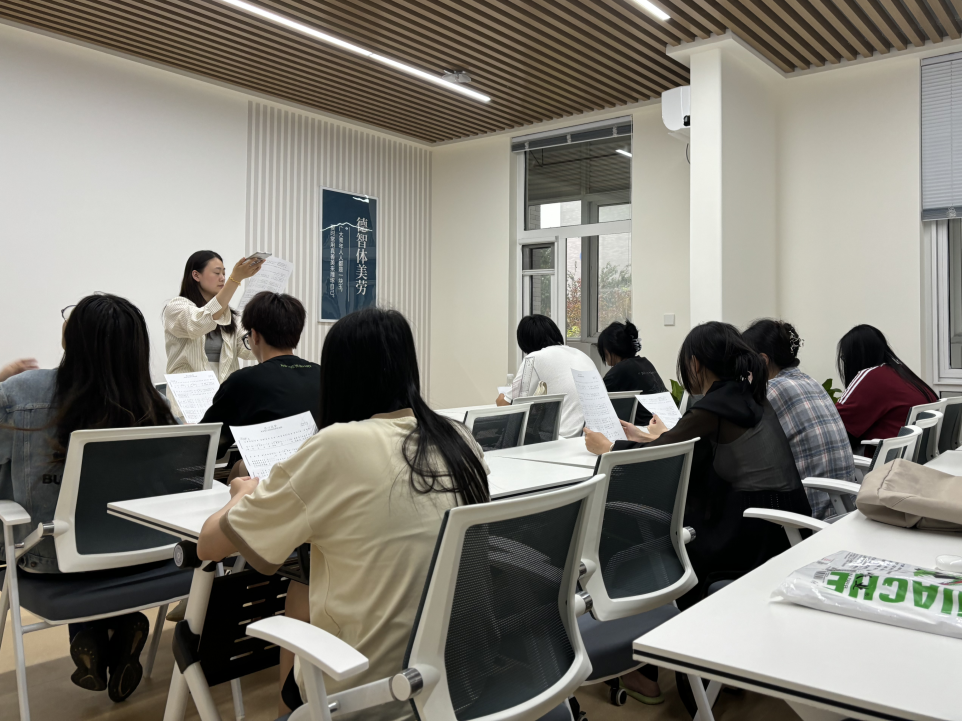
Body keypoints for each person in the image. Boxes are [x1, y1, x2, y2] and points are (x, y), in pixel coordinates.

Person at [196, 308, 490, 720]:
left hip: (371, 690)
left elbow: (209, 546)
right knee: (309, 584)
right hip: (462, 675)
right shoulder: (458, 437)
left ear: (337, 376)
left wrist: (240, 494)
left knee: (301, 607)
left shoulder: (336, 446)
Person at [0, 294, 177, 702]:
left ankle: (91, 631)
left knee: (67, 538)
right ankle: (120, 623)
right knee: (102, 537)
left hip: (50, 559)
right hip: (145, 554)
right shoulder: (155, 404)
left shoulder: (20, 394)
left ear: (73, 337)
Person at [585, 322, 809, 600]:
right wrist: (646, 437)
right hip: (783, 521)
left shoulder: (714, 406)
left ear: (695, 363)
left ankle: (632, 587)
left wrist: (608, 447)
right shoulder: (746, 395)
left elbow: (662, 456)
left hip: (752, 530)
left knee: (652, 506)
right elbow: (682, 443)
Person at [743, 319, 856, 520]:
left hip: (811, 517)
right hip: (843, 510)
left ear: (762, 360)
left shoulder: (772, 390)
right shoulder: (810, 381)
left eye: (746, 362)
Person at [200, 292, 319, 458]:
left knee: (238, 468)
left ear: (254, 336)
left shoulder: (244, 381)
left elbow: (207, 445)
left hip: (274, 471)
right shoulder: (324, 374)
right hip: (323, 468)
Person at [163, 250, 264, 419]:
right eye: (217, 273)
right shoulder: (177, 307)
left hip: (225, 398)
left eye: (224, 273)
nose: (223, 278)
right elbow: (198, 323)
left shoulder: (232, 317)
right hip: (189, 400)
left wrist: (263, 322)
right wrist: (235, 279)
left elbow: (248, 351)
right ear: (196, 275)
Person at [835, 325, 938, 448]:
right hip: (912, 454)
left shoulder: (872, 376)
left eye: (844, 358)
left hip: (886, 457)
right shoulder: (902, 372)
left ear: (855, 356)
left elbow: (833, 425)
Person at [497, 314, 598, 437]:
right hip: (596, 436)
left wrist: (501, 396)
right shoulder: (581, 355)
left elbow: (507, 405)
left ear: (525, 341)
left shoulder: (534, 358)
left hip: (564, 437)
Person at [597, 319, 667, 424]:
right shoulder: (645, 363)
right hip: (664, 425)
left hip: (645, 428)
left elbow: (596, 397)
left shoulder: (621, 369)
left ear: (607, 350)